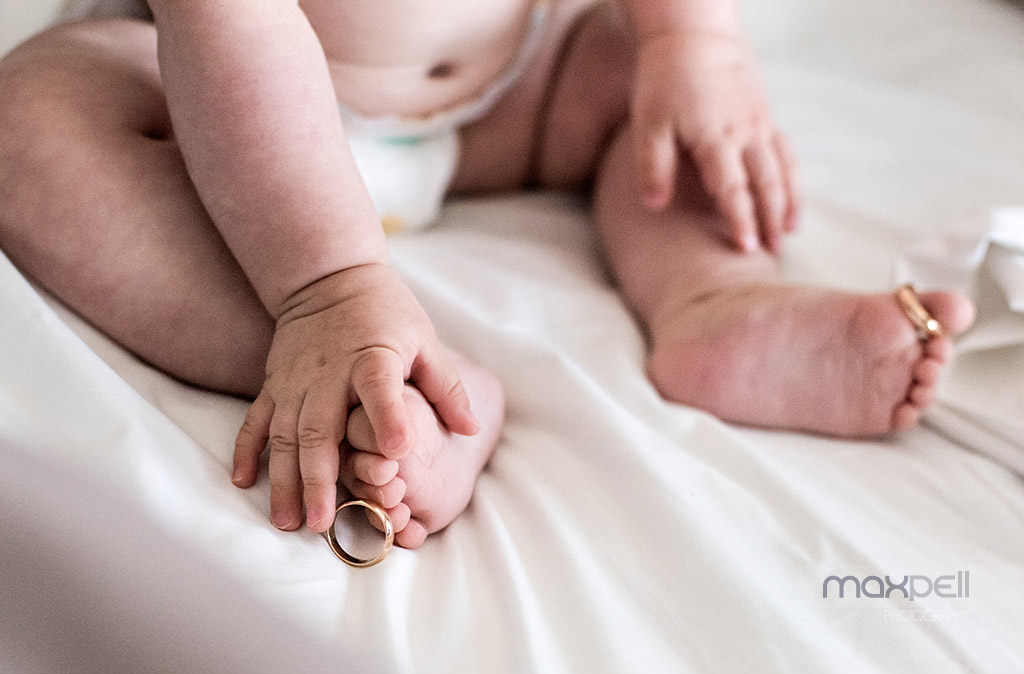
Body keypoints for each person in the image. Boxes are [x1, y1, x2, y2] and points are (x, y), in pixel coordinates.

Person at [0, 0, 974, 550]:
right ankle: (376, 366)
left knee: (644, 77)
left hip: (513, 92)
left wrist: (693, 45)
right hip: (222, 120)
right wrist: (331, 281)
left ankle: (711, 295)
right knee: (31, 128)